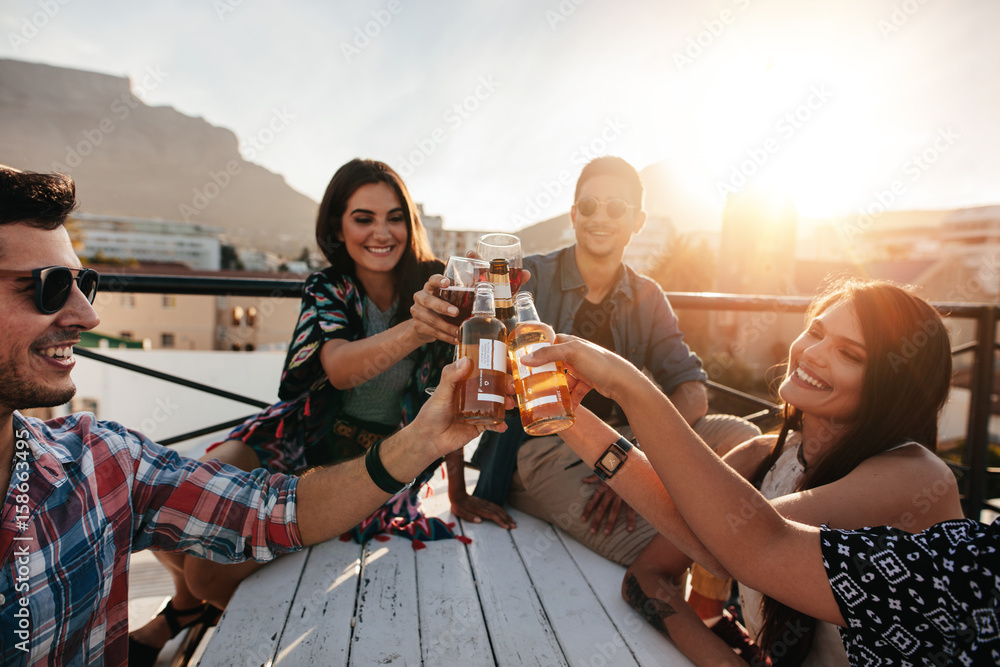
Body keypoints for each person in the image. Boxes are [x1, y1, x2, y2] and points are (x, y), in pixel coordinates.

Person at [0, 165, 507, 665]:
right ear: (337, 228)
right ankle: (185, 610)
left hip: (378, 453)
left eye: (395, 217)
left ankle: (186, 612)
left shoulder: (436, 289)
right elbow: (337, 369)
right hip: (294, 437)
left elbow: (454, 391)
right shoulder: (329, 288)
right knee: (186, 493)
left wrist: (457, 491)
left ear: (411, 224)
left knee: (204, 569)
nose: (381, 232)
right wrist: (413, 331)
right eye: (362, 217)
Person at [518, 279, 988, 665]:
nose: (813, 353)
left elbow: (730, 548)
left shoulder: (916, 477)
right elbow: (649, 573)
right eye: (817, 331)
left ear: (894, 386)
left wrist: (626, 387)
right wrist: (562, 409)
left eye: (851, 354)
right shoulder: (760, 456)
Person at [412, 155, 759, 559]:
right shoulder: (524, 280)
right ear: (574, 215)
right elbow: (462, 362)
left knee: (744, 440)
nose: (601, 217)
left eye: (616, 208)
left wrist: (638, 459)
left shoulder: (649, 296)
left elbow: (692, 390)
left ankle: (718, 589)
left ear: (638, 221)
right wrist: (456, 489)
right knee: (656, 534)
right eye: (590, 206)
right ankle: (681, 576)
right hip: (536, 447)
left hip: (626, 439)